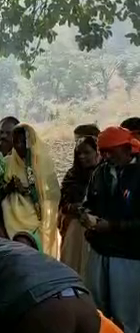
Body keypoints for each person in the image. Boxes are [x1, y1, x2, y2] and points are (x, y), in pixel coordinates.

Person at [83, 126, 140, 332]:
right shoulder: (101, 171)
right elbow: (89, 201)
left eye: (111, 152)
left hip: (129, 255)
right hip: (100, 250)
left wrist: (113, 226)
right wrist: (86, 216)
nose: (106, 157)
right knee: (98, 312)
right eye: (103, 152)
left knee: (127, 316)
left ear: (127, 149)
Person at [0, 123, 60, 258]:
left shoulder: (43, 164)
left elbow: (54, 194)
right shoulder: (7, 162)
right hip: (10, 216)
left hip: (36, 219)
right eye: (16, 142)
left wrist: (31, 190)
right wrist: (9, 188)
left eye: (23, 142)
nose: (19, 145)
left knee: (33, 257)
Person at [59, 133, 99, 278]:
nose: (82, 156)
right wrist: (73, 208)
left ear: (97, 152)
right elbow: (61, 202)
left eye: (87, 152)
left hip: (97, 230)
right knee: (72, 267)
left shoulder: (104, 174)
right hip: (74, 230)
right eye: (79, 153)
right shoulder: (72, 175)